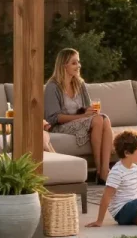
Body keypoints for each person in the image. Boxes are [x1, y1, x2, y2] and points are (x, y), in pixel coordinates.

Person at [44, 48, 114, 183]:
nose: (79, 66)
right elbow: (53, 118)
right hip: (60, 126)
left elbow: (86, 107)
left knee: (104, 119)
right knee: (99, 120)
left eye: (78, 62)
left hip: (80, 121)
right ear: (64, 65)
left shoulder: (79, 83)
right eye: (74, 63)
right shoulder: (53, 87)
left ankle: (103, 170)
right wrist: (83, 117)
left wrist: (89, 112)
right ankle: (101, 171)